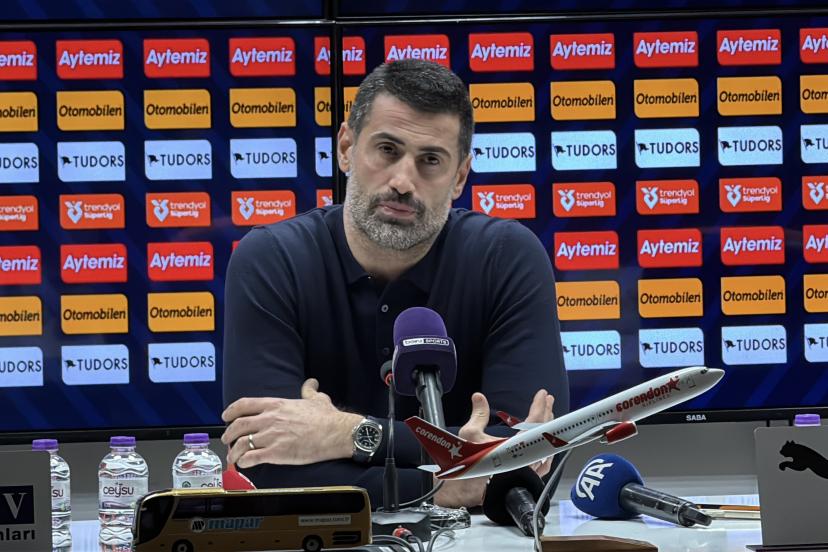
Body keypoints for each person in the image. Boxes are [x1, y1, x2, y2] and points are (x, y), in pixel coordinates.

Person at [221, 58, 569, 508]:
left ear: (460, 176)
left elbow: (530, 461)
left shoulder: (507, 258)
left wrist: (347, 434)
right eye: (387, 150)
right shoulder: (272, 260)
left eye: (430, 160)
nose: (403, 182)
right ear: (346, 148)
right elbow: (263, 467)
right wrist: (448, 483)